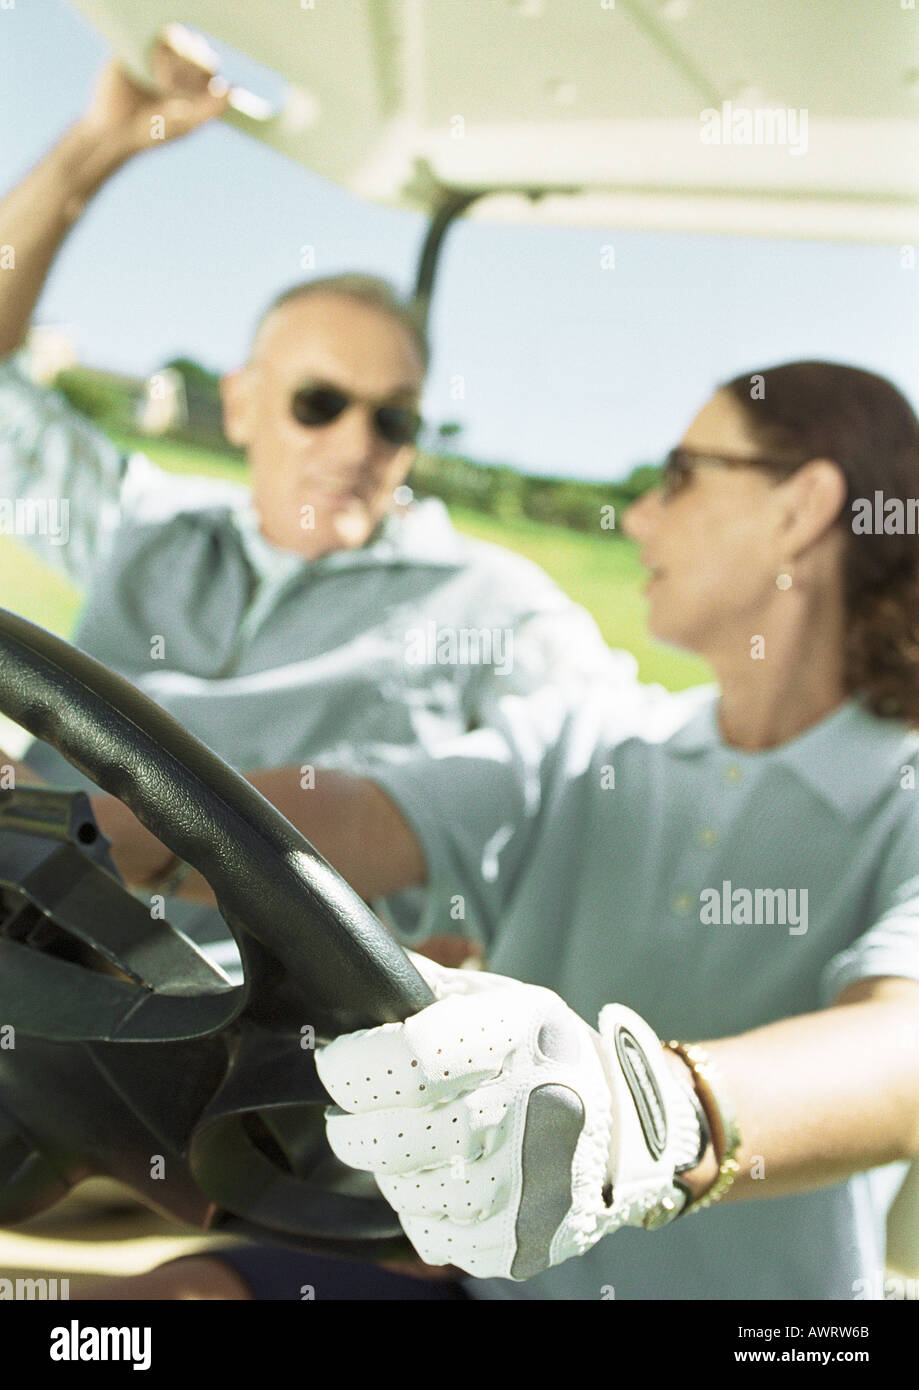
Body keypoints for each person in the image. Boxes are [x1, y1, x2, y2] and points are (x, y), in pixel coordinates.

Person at [103, 358, 919, 1300]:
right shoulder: (591, 739)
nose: (641, 516)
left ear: (802, 504)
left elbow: (901, 1055)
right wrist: (89, 821)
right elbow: (338, 817)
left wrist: (644, 1116)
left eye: (681, 474)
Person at [0, 38, 625, 964]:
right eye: (319, 404)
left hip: (228, 1023)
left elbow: (608, 756)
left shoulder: (483, 599)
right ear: (244, 403)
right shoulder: (146, 523)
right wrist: (97, 147)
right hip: (26, 910)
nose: (355, 447)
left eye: (393, 420)